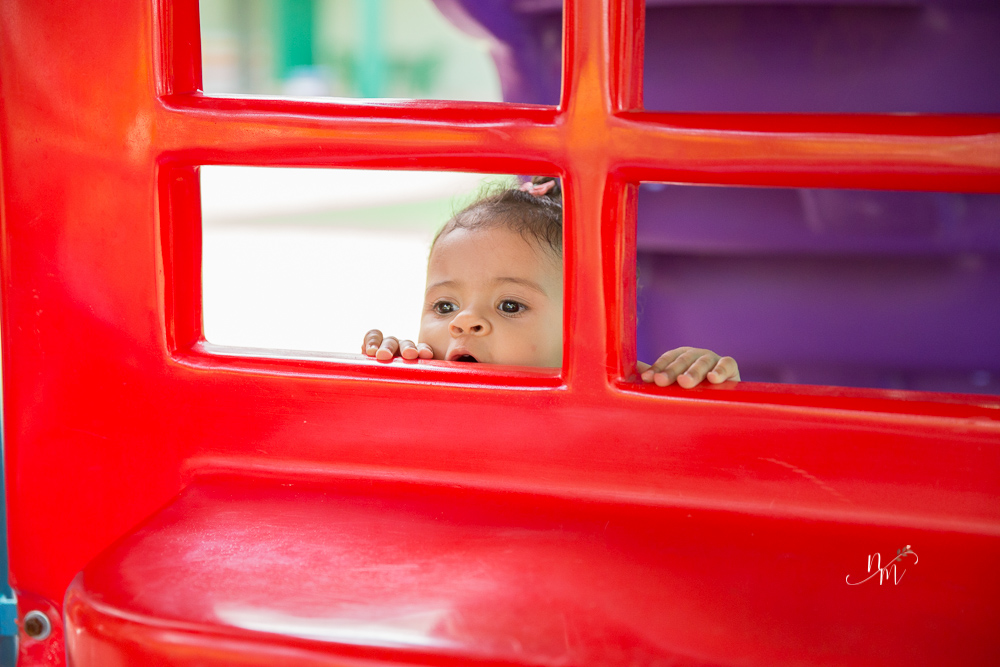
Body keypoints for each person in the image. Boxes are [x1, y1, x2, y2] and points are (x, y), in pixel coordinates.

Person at [362, 177, 740, 388]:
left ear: (590, 329)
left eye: (510, 305)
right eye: (444, 307)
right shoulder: (429, 394)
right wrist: (390, 372)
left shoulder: (632, 393)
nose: (463, 322)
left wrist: (700, 386)